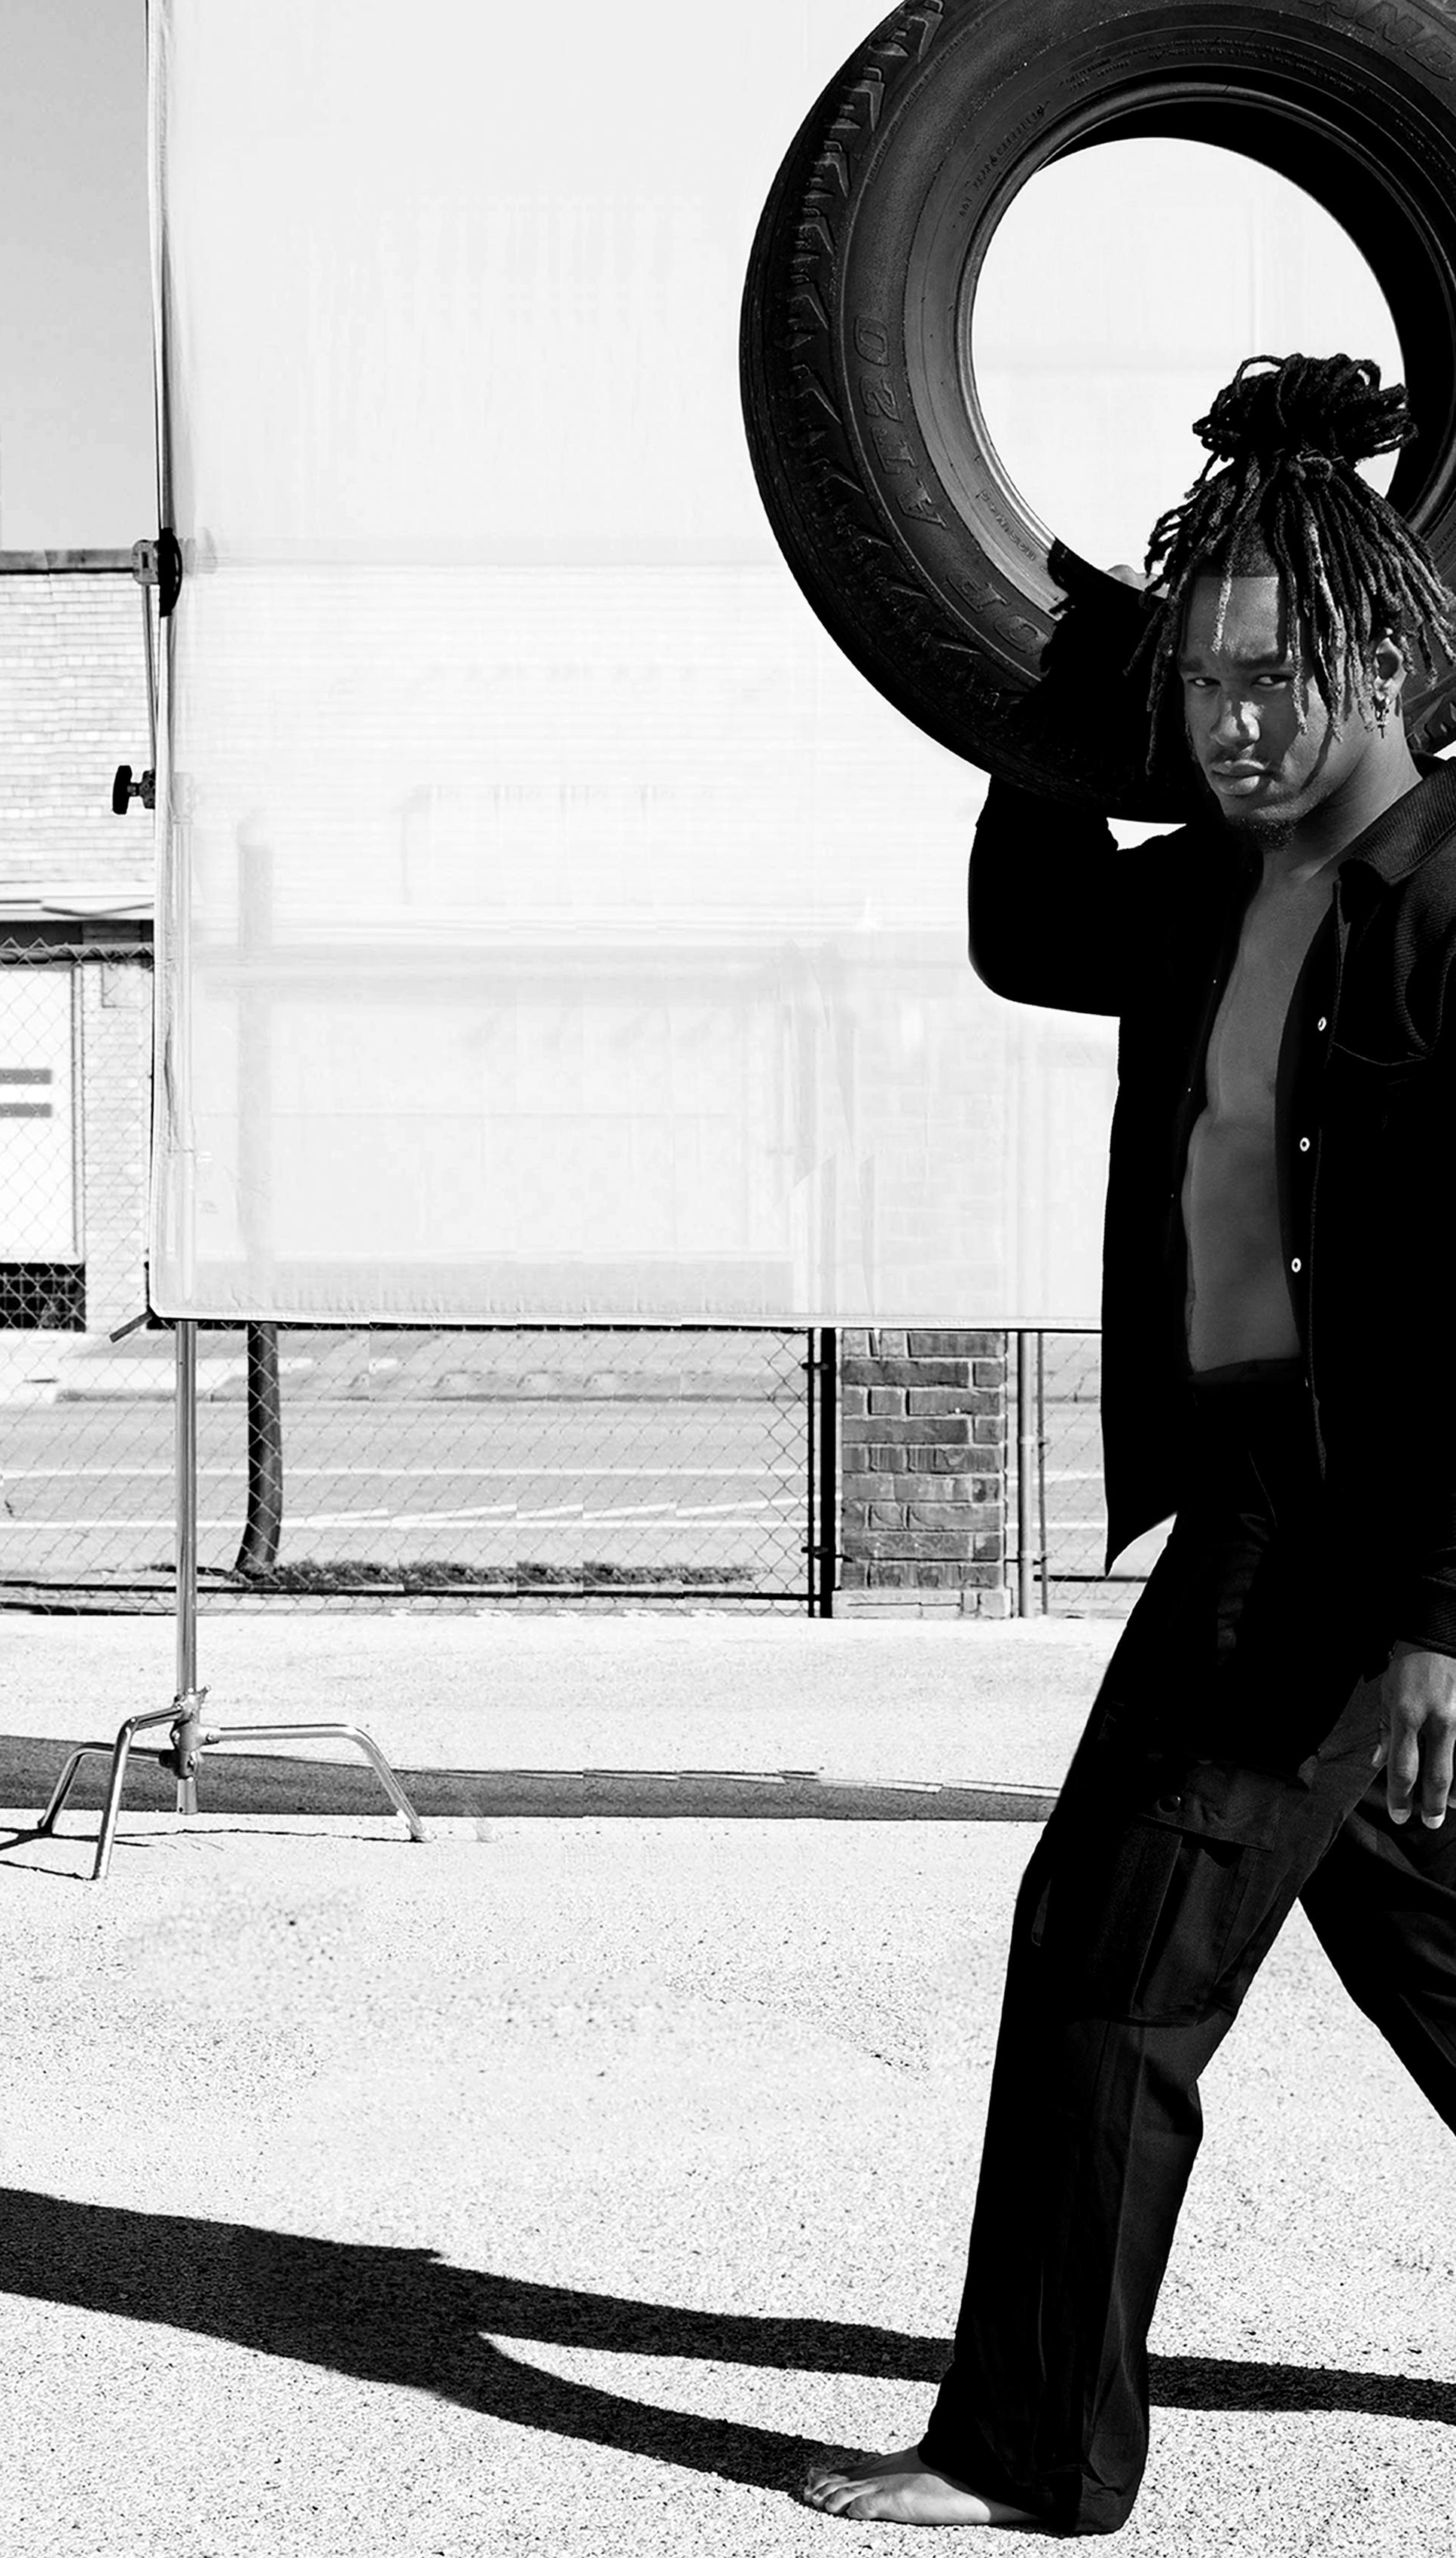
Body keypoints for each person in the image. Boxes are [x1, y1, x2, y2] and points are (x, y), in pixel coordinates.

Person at [802, 350, 1456, 2535]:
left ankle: (1030, 2450)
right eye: (1204, 684)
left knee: (1105, 1960)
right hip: (1264, 1484)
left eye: (1273, 677)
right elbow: (1028, 931)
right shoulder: (1207, 886)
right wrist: (1050, 697)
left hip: (1349, 1534)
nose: (1233, 723)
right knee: (1434, 1954)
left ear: (1389, 653)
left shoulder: (1451, 897)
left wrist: (1443, 1617)